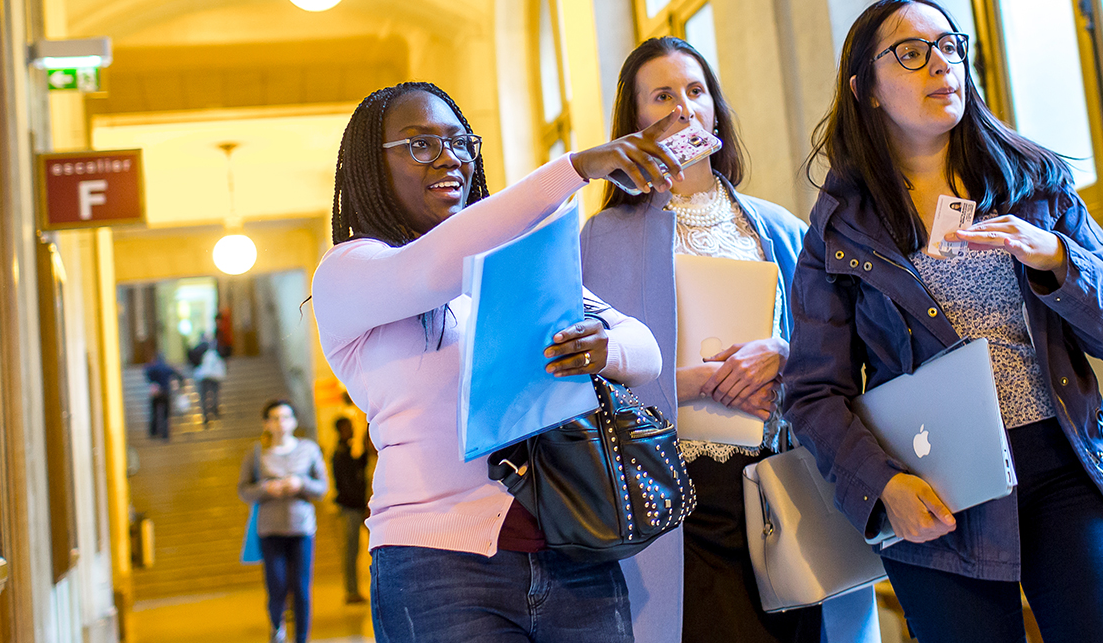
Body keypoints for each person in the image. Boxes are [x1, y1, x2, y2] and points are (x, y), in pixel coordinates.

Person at [784, 0, 1103, 643]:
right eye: (911, 52)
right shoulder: (841, 228)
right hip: (938, 491)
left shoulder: (1034, 181)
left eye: (951, 46)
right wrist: (883, 485)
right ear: (865, 89)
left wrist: (1057, 259)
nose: (941, 65)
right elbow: (813, 391)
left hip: (1067, 467)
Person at [310, 81, 680, 642]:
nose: (450, 159)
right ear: (371, 166)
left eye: (459, 142)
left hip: (573, 547)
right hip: (437, 566)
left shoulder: (513, 264)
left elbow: (646, 349)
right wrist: (576, 168)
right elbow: (427, 270)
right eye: (420, 145)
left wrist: (604, 348)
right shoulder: (349, 273)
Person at [581, 36, 877, 643]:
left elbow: (843, 350)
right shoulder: (600, 239)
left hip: (785, 477)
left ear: (715, 108)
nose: (684, 107)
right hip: (671, 491)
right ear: (634, 122)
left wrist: (783, 355)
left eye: (695, 91)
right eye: (662, 96)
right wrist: (689, 384)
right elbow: (582, 380)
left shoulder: (781, 228)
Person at [238, 399, 329, 643]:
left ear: (294, 421)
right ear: (266, 423)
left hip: (302, 528)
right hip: (270, 529)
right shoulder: (256, 453)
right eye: (275, 418)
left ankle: (302, 637)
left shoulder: (308, 449)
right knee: (276, 585)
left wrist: (301, 484)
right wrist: (267, 488)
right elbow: (244, 490)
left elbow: (323, 488)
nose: (281, 423)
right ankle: (277, 628)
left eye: (286, 417)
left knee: (301, 588)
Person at [330, 416, 371, 605]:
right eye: (348, 428)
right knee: (351, 551)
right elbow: (348, 485)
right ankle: (351, 591)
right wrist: (362, 506)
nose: (351, 431)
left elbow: (358, 469)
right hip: (350, 509)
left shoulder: (347, 452)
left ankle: (354, 590)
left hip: (356, 507)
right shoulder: (339, 454)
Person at [143, 352, 184, 440]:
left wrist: (152, 382)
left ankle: (153, 432)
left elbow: (146, 371)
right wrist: (181, 385)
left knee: (154, 413)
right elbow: (180, 376)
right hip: (166, 392)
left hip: (156, 392)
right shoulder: (167, 367)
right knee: (166, 414)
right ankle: (165, 434)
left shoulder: (152, 367)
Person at [195, 343, 227, 425]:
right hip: (214, 377)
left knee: (204, 396)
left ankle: (205, 414)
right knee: (214, 394)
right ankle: (214, 409)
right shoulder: (214, 354)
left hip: (202, 377)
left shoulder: (200, 352)